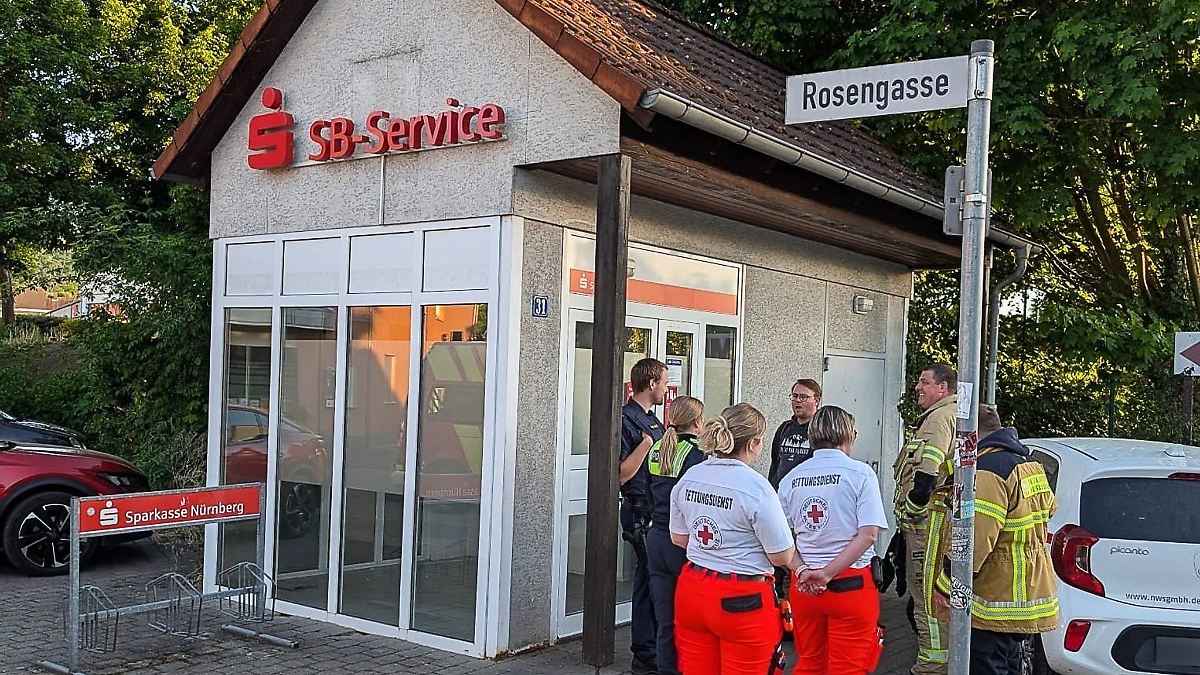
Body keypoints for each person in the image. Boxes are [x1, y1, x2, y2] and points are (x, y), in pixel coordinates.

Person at [669, 403, 796, 675]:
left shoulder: (691, 476)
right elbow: (782, 556)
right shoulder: (756, 487)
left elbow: (679, 538)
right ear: (754, 444)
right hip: (742, 599)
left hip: (692, 591)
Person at [932, 405, 1059, 675]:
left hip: (993, 597)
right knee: (1009, 665)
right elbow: (1050, 509)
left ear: (971, 435)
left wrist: (945, 585)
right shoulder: (1028, 464)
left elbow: (974, 540)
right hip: (1023, 594)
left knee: (985, 666)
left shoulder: (987, 471)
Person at [778, 406, 889, 675]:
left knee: (809, 663)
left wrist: (803, 571)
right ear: (848, 435)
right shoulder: (861, 474)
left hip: (804, 589)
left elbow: (781, 540)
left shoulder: (791, 478)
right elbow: (868, 535)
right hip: (851, 586)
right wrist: (827, 574)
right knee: (848, 668)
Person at [890, 363, 957, 674]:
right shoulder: (943, 416)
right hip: (932, 526)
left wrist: (911, 513)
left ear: (943, 388)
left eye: (924, 382)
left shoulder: (938, 420)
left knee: (926, 600)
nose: (918, 387)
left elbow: (926, 477)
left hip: (926, 529)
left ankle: (931, 666)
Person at [645, 395, 707, 675]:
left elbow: (646, 491)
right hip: (682, 542)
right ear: (698, 423)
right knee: (691, 620)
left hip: (656, 538)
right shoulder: (696, 456)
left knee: (665, 620)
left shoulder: (657, 448)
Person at [619, 358, 668, 675]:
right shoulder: (627, 420)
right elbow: (621, 473)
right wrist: (647, 445)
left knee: (647, 582)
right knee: (652, 583)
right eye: (664, 382)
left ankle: (646, 651)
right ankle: (646, 654)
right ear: (651, 383)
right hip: (639, 510)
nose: (666, 388)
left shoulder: (652, 419)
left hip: (654, 508)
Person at [769, 378, 822, 606]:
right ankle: (780, 606)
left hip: (806, 506)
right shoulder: (785, 429)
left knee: (800, 556)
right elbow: (775, 463)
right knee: (779, 553)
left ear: (816, 400)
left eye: (803, 397)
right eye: (794, 396)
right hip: (782, 503)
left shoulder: (819, 431)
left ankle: (800, 601)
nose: (797, 401)